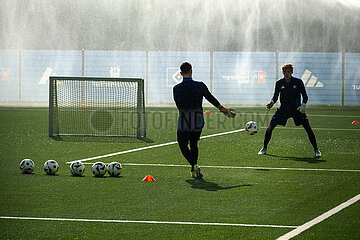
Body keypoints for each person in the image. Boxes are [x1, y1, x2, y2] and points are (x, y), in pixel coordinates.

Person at [173, 62, 236, 178]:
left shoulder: (176, 88)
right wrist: (223, 109)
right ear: (191, 71)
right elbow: (211, 98)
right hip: (198, 120)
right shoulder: (200, 85)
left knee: (182, 144)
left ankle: (194, 165)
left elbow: (179, 105)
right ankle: (193, 169)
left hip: (184, 120)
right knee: (194, 144)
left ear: (181, 73)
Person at [258, 63, 322, 157]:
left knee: (308, 129)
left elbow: (305, 96)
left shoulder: (298, 82)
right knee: (270, 127)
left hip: (297, 109)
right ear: (282, 72)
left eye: (288, 71)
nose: (286, 73)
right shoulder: (279, 83)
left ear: (292, 72)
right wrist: (271, 103)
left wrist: (303, 105)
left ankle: (316, 150)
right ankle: (264, 148)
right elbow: (275, 97)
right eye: (284, 71)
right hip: (283, 109)